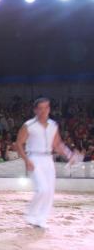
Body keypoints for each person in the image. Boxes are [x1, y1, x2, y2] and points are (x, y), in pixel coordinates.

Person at [15, 97, 81, 228]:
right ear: (35, 110)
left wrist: (69, 155)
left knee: (49, 191)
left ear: (49, 109)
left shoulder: (53, 125)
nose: (44, 111)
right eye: (40, 108)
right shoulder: (29, 125)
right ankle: (31, 215)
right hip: (34, 157)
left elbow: (57, 144)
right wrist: (26, 160)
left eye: (46, 107)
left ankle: (41, 219)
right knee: (42, 189)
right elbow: (18, 143)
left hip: (48, 159)